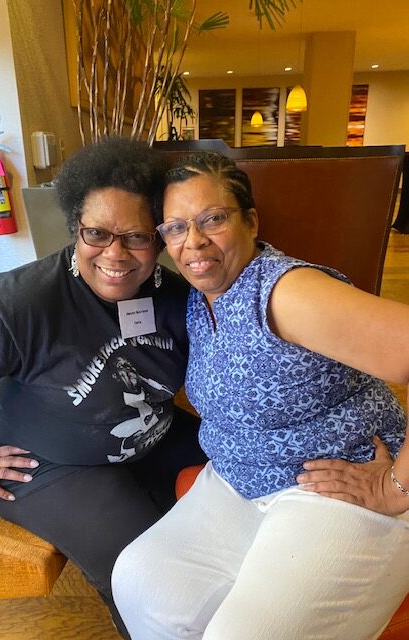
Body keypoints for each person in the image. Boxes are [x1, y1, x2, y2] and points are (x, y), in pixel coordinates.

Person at [112, 151, 409, 640]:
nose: (195, 242)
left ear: (250, 221)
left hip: (339, 484)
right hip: (238, 483)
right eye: (176, 228)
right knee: (141, 582)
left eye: (213, 219)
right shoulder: (197, 297)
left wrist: (397, 486)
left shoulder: (288, 293)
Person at [0, 137, 206, 636]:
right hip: (43, 462)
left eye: (137, 237)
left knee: (249, 478)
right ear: (75, 227)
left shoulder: (176, 296)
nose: (115, 254)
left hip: (149, 433)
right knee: (147, 568)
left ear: (159, 239)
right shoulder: (21, 303)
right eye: (96, 233)